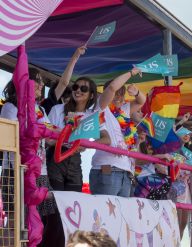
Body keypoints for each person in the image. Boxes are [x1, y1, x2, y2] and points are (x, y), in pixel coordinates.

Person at [46, 76, 110, 247]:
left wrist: (87, 144)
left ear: (91, 95)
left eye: (83, 89)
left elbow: (107, 139)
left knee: (73, 209)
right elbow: (46, 138)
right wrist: (65, 140)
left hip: (75, 161)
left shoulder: (92, 116)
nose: (78, 91)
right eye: (76, 87)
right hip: (55, 157)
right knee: (55, 210)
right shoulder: (58, 109)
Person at [0, 68, 55, 246]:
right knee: (16, 223)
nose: (40, 85)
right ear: (24, 83)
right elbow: (12, 139)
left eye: (41, 81)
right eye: (36, 80)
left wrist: (70, 137)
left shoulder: (40, 110)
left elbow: (49, 138)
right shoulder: (11, 107)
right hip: (17, 170)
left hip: (41, 172)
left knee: (37, 223)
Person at [90, 67, 146, 197]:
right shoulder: (101, 107)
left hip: (125, 171)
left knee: (120, 216)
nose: (119, 97)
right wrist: (131, 73)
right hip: (107, 169)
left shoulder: (123, 110)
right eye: (116, 93)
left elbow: (141, 101)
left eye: (122, 94)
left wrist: (137, 92)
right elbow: (111, 88)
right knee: (105, 213)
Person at [41, 46, 86, 115]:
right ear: (62, 98)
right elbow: (64, 83)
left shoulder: (69, 113)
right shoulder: (49, 104)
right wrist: (75, 57)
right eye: (68, 100)